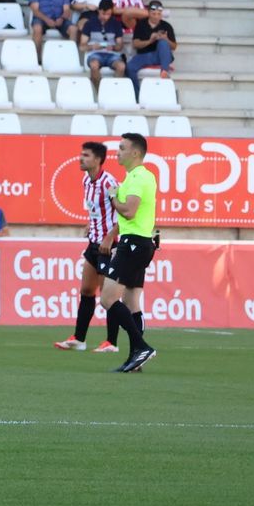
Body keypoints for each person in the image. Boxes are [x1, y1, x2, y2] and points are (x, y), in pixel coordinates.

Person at [53, 141, 124, 353]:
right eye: (80, 154)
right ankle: (79, 339)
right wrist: (90, 224)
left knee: (107, 296)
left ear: (97, 159)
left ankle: (111, 342)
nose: (80, 158)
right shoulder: (87, 180)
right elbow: (97, 208)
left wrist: (110, 237)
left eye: (85, 155)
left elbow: (125, 214)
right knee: (86, 290)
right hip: (93, 242)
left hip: (108, 246)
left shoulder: (109, 183)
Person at [100, 133, 159, 373]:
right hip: (141, 242)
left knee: (107, 299)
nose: (118, 152)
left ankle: (140, 347)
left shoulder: (137, 178)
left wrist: (114, 197)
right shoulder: (140, 176)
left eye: (122, 148)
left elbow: (130, 211)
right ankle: (137, 358)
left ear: (135, 153)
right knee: (131, 301)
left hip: (133, 244)